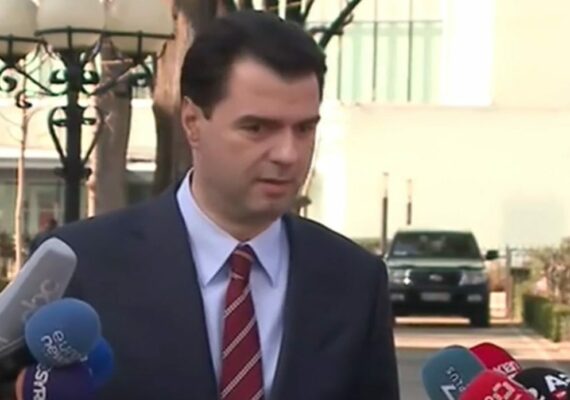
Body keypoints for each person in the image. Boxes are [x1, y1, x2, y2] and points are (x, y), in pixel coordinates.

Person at [28, 10, 399, 400]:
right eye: (257, 128)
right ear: (192, 122)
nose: (288, 154)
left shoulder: (355, 280)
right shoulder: (81, 264)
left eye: (304, 128)